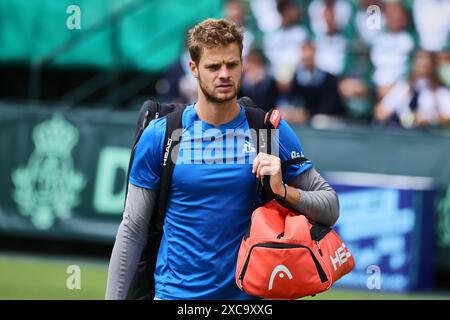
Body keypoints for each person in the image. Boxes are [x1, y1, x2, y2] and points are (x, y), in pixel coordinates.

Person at [105, 18, 339, 300]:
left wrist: (283, 191)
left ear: (242, 64)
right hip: (173, 296)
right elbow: (133, 229)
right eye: (213, 66)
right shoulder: (162, 135)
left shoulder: (267, 130)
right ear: (193, 68)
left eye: (232, 64)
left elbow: (330, 208)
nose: (224, 74)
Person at [374, 50, 450, 128]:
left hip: (427, 134)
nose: (422, 64)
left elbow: (448, 115)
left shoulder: (440, 91)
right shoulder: (403, 87)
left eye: (426, 63)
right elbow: (381, 111)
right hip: (400, 132)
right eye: (419, 61)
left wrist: (430, 120)